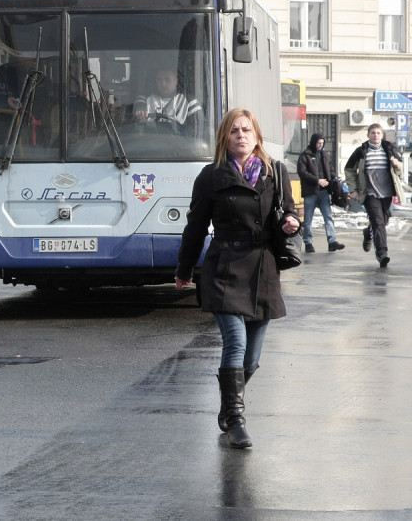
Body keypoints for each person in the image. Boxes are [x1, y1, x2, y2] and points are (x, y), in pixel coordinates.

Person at [175, 108, 300, 449]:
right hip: (224, 267)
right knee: (236, 342)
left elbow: (289, 212)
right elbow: (196, 227)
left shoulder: (275, 171)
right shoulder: (210, 176)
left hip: (263, 266)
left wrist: (292, 222)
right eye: (234, 131)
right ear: (225, 139)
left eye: (246, 130)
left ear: (257, 136)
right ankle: (236, 421)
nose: (241, 135)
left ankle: (228, 404)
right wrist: (185, 270)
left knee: (253, 359)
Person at [344, 123, 404, 268]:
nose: (375, 135)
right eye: (372, 133)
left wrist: (396, 164)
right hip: (369, 193)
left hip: (387, 193)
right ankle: (382, 254)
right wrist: (353, 189)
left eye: (378, 133)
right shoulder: (361, 151)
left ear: (382, 135)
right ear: (368, 135)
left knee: (383, 222)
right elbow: (349, 170)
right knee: (378, 223)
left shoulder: (389, 149)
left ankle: (367, 232)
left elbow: (400, 170)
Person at [296, 133, 345, 254]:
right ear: (313, 142)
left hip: (324, 192)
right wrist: (317, 181)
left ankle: (332, 242)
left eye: (322, 143)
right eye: (318, 143)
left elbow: (331, 171)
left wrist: (334, 178)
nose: (320, 145)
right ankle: (308, 243)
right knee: (308, 219)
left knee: (328, 217)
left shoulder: (325, 155)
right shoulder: (305, 155)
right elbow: (302, 172)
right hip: (311, 192)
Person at [133, 68, 202, 129]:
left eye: (167, 80)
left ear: (176, 82)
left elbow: (196, 131)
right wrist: (140, 109)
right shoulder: (146, 100)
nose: (163, 84)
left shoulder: (189, 103)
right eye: (160, 80)